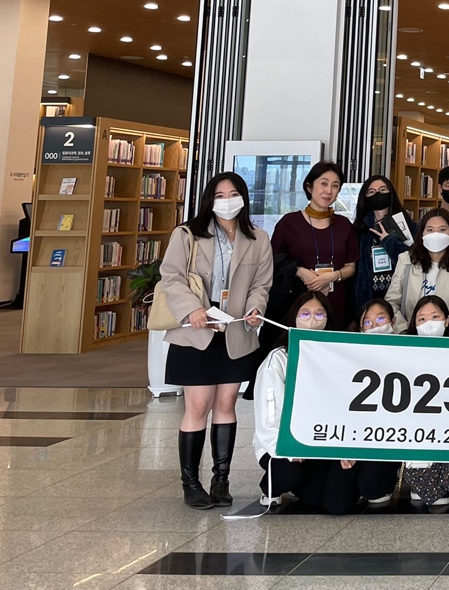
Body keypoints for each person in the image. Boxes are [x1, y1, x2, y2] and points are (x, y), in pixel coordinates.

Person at [160, 172, 272, 508]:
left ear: (244, 198)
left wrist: (255, 308)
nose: (227, 201)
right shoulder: (187, 234)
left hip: (235, 331)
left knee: (226, 405)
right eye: (219, 195)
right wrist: (192, 309)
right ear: (209, 200)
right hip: (197, 331)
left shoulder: (258, 238)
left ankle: (221, 480)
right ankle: (191, 484)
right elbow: (171, 276)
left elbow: (261, 284)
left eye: (233, 194)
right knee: (197, 406)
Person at [252, 292, 359, 514]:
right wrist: (289, 448)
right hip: (284, 443)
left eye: (320, 314)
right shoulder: (278, 359)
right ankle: (271, 486)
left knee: (335, 503)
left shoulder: (340, 357)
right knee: (289, 474)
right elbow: (269, 416)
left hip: (324, 441)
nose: (313, 320)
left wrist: (346, 446)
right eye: (305, 314)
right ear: (294, 318)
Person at [270, 160, 358, 330]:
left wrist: (332, 276)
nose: (329, 190)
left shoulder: (344, 225)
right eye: (323, 184)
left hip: (335, 305)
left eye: (335, 186)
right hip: (298, 305)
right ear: (309, 187)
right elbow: (273, 260)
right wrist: (298, 271)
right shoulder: (289, 223)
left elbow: (351, 267)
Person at [402, 296, 449, 509]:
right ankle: (423, 483)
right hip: (416, 428)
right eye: (421, 319)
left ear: (446, 320)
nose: (428, 323)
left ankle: (442, 485)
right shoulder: (403, 354)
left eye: (435, 317)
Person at [386, 209, 449, 336]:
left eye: (442, 229)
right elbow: (391, 301)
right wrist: (404, 331)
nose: (436, 235)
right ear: (422, 233)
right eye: (430, 230)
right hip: (410, 335)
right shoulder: (406, 260)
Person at [352, 299, 402, 505]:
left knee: (372, 489)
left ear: (393, 321)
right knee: (336, 499)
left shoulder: (408, 351)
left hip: (393, 433)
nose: (374, 326)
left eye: (381, 319)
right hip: (357, 433)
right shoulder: (349, 355)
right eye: (367, 322)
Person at [351, 174, 413, 317]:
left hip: (400, 299)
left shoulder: (409, 226)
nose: (378, 194)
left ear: (391, 194)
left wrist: (389, 241)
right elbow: (355, 275)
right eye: (372, 192)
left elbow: (413, 263)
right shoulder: (359, 231)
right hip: (367, 301)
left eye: (383, 190)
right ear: (365, 198)